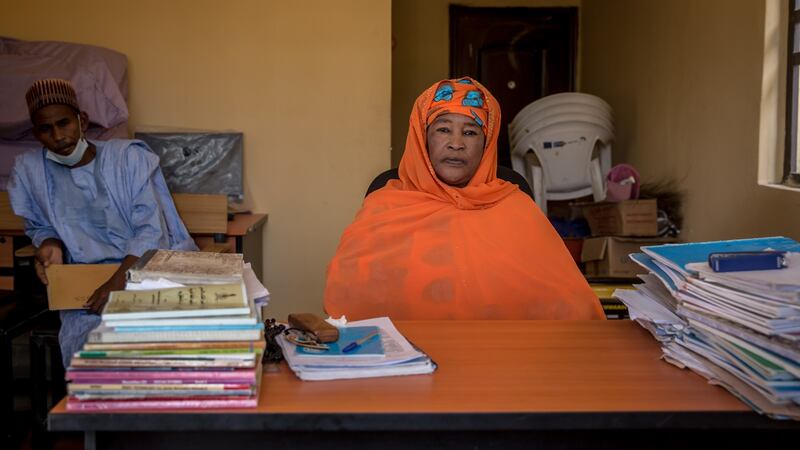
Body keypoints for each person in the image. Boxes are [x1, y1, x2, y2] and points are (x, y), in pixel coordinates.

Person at [324, 77, 604, 320]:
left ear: (487, 143)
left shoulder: (516, 207)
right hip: (402, 360)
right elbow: (351, 301)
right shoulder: (383, 206)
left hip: (497, 360)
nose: (456, 143)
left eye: (470, 132)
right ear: (422, 139)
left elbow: (570, 307)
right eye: (443, 129)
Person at [7, 78, 198, 366]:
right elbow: (39, 224)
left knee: (165, 342)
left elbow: (151, 231)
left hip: (147, 269)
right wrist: (49, 243)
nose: (58, 136)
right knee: (95, 352)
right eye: (46, 129)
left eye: (64, 123)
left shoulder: (127, 159)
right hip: (85, 283)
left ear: (81, 120)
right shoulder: (30, 171)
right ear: (36, 133)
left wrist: (118, 282)